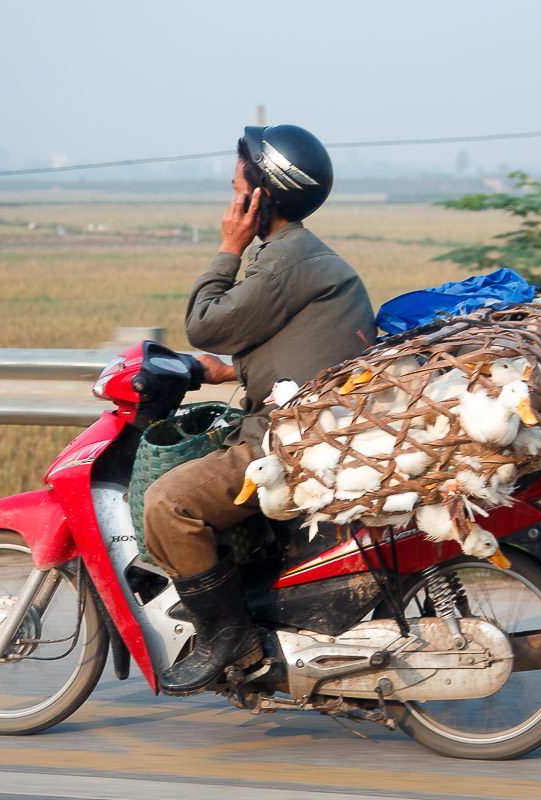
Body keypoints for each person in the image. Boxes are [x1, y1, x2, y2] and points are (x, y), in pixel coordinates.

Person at [144, 124, 377, 695]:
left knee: (167, 504)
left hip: (290, 438)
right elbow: (294, 344)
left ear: (260, 196)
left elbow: (205, 323)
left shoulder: (284, 261)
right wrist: (224, 370)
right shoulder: (298, 256)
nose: (230, 194)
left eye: (237, 185)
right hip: (315, 423)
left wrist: (227, 247)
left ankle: (230, 639)